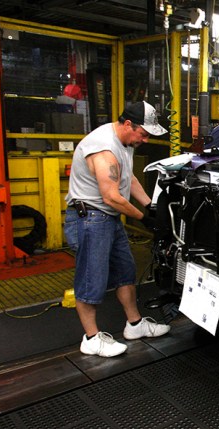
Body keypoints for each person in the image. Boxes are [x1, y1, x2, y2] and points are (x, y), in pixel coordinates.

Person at [64, 101, 171, 357]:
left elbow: (128, 178)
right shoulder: (103, 147)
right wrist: (144, 219)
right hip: (90, 218)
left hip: (108, 218)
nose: (144, 140)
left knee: (125, 271)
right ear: (127, 125)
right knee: (92, 279)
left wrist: (150, 205)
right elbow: (111, 196)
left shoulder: (125, 142)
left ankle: (134, 325)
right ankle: (90, 338)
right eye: (143, 134)